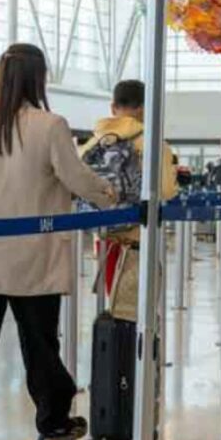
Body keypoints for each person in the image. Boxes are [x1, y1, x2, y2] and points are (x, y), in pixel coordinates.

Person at [0, 44, 117, 440]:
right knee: (40, 344)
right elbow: (75, 178)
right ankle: (54, 421)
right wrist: (113, 197)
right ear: (39, 77)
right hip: (34, 258)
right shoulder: (50, 124)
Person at [81, 79, 178, 320]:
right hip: (138, 239)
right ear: (145, 108)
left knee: (113, 308)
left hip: (103, 237)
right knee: (138, 314)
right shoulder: (153, 143)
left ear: (113, 107)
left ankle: (114, 355)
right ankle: (138, 357)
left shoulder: (92, 144)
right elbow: (165, 191)